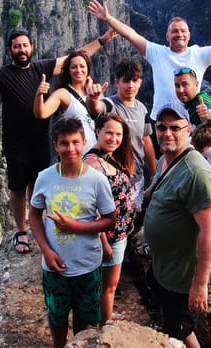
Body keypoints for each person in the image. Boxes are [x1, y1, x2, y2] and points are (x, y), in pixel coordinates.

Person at [0, 28, 115, 254]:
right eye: (17, 46)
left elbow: (76, 58)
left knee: (38, 184)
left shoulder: (41, 67)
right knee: (17, 187)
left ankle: (37, 225)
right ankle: (21, 231)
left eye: (25, 45)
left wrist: (101, 40)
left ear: (32, 47)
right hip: (15, 142)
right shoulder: (2, 75)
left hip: (41, 140)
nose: (22, 50)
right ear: (10, 50)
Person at [87, 0, 211, 119]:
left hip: (190, 123)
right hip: (159, 121)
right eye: (174, 31)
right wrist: (109, 19)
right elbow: (131, 35)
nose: (179, 34)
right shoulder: (156, 52)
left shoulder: (200, 55)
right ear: (167, 36)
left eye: (183, 31)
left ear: (189, 35)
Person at [30, 117, 117, 348]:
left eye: (76, 142)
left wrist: (76, 227)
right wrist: (46, 251)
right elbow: (34, 215)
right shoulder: (45, 178)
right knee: (56, 316)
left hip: (87, 264)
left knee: (85, 319)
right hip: (55, 266)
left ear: (85, 142)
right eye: (64, 143)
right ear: (56, 145)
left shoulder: (97, 181)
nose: (71, 149)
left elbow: (110, 220)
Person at [143, 103, 211, 348]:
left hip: (183, 278)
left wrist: (199, 286)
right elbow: (155, 190)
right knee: (169, 322)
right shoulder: (165, 160)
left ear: (188, 130)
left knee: (180, 331)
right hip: (164, 268)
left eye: (175, 128)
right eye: (162, 127)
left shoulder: (197, 173)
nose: (167, 133)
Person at [83, 113, 135, 322]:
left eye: (118, 134)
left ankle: (104, 318)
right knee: (107, 286)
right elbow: (91, 208)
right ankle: (102, 324)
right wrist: (104, 243)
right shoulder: (93, 163)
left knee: (107, 286)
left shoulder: (110, 156)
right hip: (108, 236)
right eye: (109, 133)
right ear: (98, 132)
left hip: (118, 232)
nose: (114, 138)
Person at [86, 57, 157, 209]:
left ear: (140, 82)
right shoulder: (110, 105)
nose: (130, 85)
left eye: (135, 80)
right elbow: (97, 108)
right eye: (126, 81)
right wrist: (92, 100)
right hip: (112, 178)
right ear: (117, 81)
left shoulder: (142, 109)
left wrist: (154, 173)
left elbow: (146, 140)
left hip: (136, 177)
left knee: (131, 220)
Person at [34, 50, 99, 153]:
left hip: (96, 157)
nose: (78, 70)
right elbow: (41, 113)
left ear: (88, 69)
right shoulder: (63, 94)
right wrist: (39, 94)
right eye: (73, 67)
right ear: (68, 70)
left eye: (82, 66)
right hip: (73, 155)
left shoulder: (95, 91)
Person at [173, 67, 211, 148]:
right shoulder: (191, 104)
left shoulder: (201, 102)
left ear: (196, 85)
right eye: (177, 86)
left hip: (210, 157)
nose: (180, 90)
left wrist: (208, 116)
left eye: (185, 85)